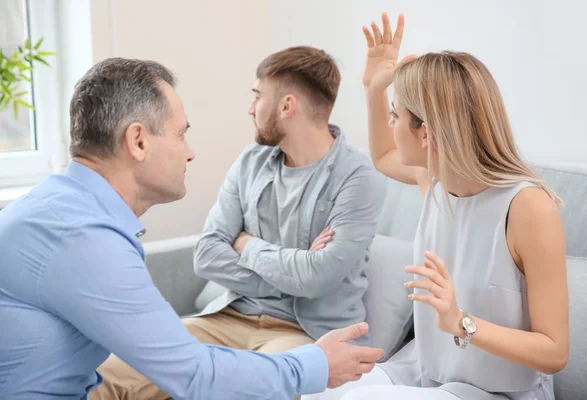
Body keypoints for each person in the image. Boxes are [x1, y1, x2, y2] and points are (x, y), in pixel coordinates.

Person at [0, 57, 384, 400]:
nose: (191, 152)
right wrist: (314, 354)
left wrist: (247, 245)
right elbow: (195, 365)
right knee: (112, 380)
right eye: (182, 134)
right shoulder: (86, 239)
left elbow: (316, 279)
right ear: (137, 141)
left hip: (299, 329)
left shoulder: (65, 209)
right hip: (228, 318)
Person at [306, 12, 569, 400]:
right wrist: (374, 89)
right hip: (425, 374)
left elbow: (555, 352)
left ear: (426, 133)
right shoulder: (435, 180)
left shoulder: (528, 208)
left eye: (396, 114)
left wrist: (460, 322)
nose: (391, 124)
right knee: (316, 389)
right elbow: (382, 155)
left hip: (498, 391)